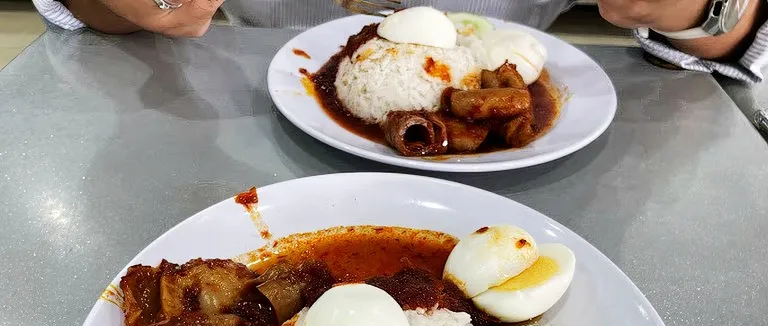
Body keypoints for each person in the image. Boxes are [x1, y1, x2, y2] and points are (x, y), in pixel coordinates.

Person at [33, 0, 768, 82]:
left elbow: (748, 45)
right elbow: (93, 17)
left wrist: (707, 11)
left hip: (535, 183)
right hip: (245, 127)